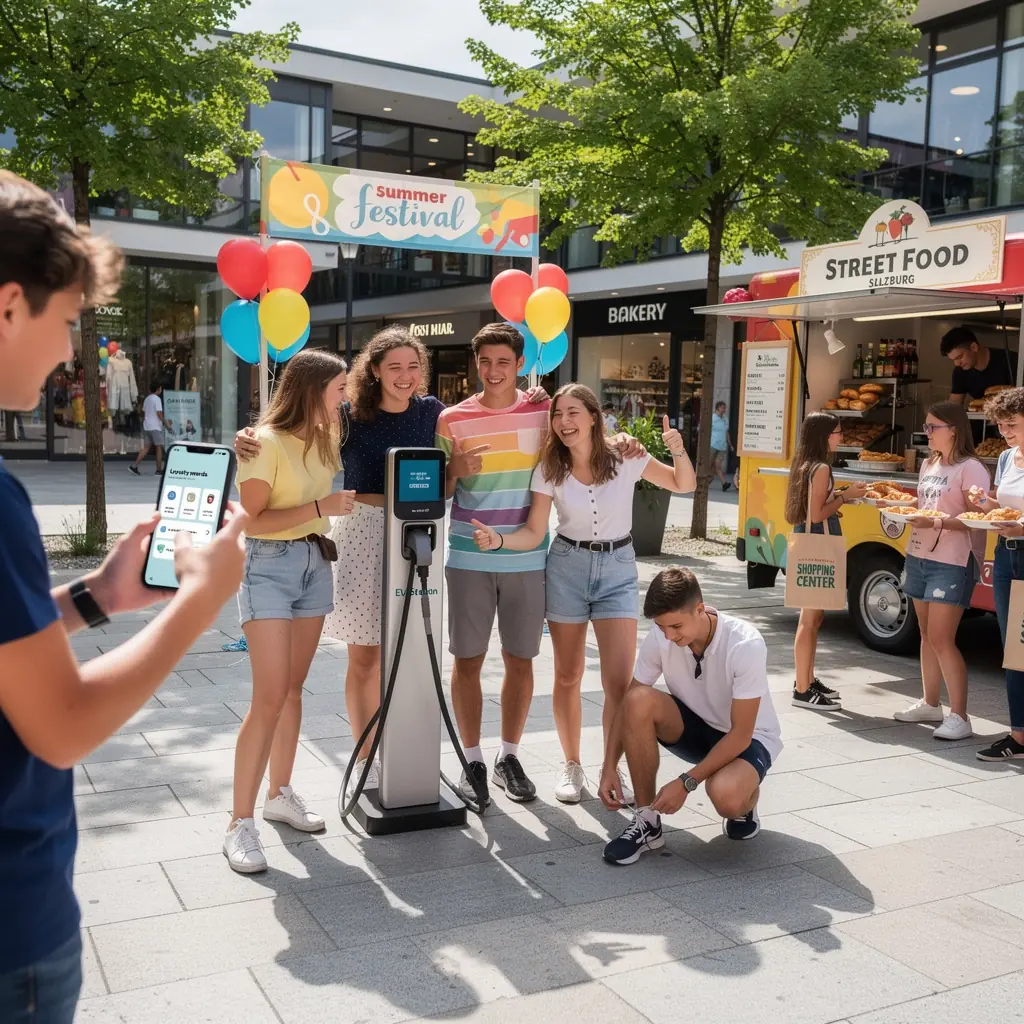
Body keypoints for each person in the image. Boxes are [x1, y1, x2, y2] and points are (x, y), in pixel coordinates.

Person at [0, 171, 247, 1022]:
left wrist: (94, 600)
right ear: (7, 306)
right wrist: (197, 602)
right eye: (66, 321)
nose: (72, 353)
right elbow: (61, 726)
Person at [439, 326, 641, 805]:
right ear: (476, 363)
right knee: (467, 660)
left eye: (503, 362)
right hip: (468, 555)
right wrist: (453, 473)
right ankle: (472, 761)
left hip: (529, 559)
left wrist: (626, 441)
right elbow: (438, 494)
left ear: (519, 363)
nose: (493, 371)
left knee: (520, 660)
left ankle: (510, 755)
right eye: (485, 361)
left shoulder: (541, 411)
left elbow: (586, 437)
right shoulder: (452, 418)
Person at [236, 327, 442, 800]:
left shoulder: (430, 412)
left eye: (414, 366)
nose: (406, 376)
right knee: (357, 659)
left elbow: (470, 425)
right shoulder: (346, 417)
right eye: (394, 366)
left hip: (412, 534)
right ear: (372, 369)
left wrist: (534, 395)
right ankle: (363, 760)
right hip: (351, 534)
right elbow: (282, 437)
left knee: (407, 655)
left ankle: (290, 789)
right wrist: (247, 439)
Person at [471, 385, 695, 804]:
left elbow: (683, 484)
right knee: (568, 675)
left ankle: (612, 769)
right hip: (566, 570)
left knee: (617, 683)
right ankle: (571, 765)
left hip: (617, 570)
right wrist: (499, 541)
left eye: (573, 412)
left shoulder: (626, 458)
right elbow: (535, 532)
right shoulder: (549, 469)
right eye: (557, 414)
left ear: (594, 416)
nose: (564, 421)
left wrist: (677, 448)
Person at [224, 350, 355, 873]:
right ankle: (239, 822)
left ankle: (279, 794)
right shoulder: (263, 443)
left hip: (313, 565)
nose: (345, 397)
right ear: (312, 389)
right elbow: (251, 523)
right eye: (339, 388)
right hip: (269, 568)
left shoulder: (326, 438)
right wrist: (321, 509)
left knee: (294, 691)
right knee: (269, 697)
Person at [598, 567, 782, 864]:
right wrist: (609, 766)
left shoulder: (745, 643)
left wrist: (686, 783)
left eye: (676, 626)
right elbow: (627, 705)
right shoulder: (662, 637)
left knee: (725, 795)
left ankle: (747, 798)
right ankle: (647, 821)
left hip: (747, 739)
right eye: (661, 627)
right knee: (637, 700)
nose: (669, 636)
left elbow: (740, 734)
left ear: (700, 609)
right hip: (696, 727)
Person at [892, 402, 988, 739]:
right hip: (918, 555)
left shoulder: (971, 467)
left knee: (942, 638)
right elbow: (924, 506)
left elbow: (977, 520)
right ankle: (931, 703)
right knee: (925, 632)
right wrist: (902, 509)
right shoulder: (929, 464)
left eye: (933, 427)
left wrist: (932, 520)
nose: (926, 432)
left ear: (954, 430)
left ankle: (960, 716)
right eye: (927, 426)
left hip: (954, 561)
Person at [785, 411, 868, 710]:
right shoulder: (820, 468)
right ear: (823, 435)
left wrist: (839, 499)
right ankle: (803, 689)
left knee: (814, 619)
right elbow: (816, 514)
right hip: (818, 545)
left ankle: (806, 679)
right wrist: (845, 498)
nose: (840, 436)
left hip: (811, 542)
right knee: (809, 621)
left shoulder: (805, 464)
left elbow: (812, 509)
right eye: (836, 431)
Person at [966, 387, 1024, 760]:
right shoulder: (1004, 458)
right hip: (1006, 556)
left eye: (1013, 425)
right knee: (1014, 649)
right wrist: (983, 502)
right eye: (1001, 426)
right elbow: (1000, 507)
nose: (1006, 433)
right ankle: (1019, 736)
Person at [943, 326, 1017, 405]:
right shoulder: (960, 371)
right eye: (953, 360)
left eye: (959, 357)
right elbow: (954, 405)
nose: (957, 363)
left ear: (974, 347)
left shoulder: (1011, 360)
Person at [129, 381, 166, 475]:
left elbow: (142, 412)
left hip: (147, 426)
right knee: (159, 448)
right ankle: (158, 470)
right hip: (155, 427)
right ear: (158, 389)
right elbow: (159, 413)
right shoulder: (157, 399)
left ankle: (134, 466)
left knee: (146, 447)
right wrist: (166, 423)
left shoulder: (147, 399)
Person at [710, 400, 733, 491]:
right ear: (718, 408)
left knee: (717, 465)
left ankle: (724, 483)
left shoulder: (725, 419)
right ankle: (704, 483)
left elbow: (726, 432)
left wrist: (730, 444)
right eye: (723, 408)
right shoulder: (712, 418)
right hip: (712, 445)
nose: (725, 409)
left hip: (722, 447)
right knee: (709, 465)